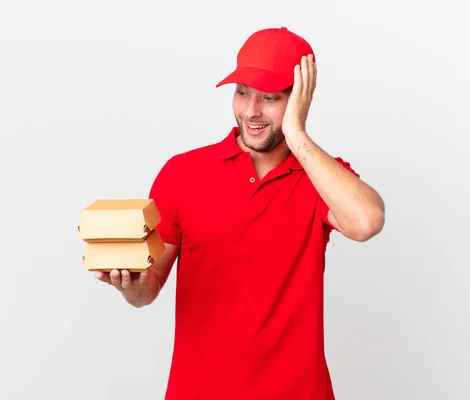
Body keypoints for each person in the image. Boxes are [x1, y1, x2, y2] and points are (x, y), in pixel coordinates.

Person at [94, 26, 385, 400]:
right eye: (242, 93)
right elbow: (147, 290)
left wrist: (297, 133)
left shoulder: (320, 177)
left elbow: (367, 222)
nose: (251, 111)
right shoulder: (182, 174)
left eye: (270, 97)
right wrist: (132, 287)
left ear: (300, 99)